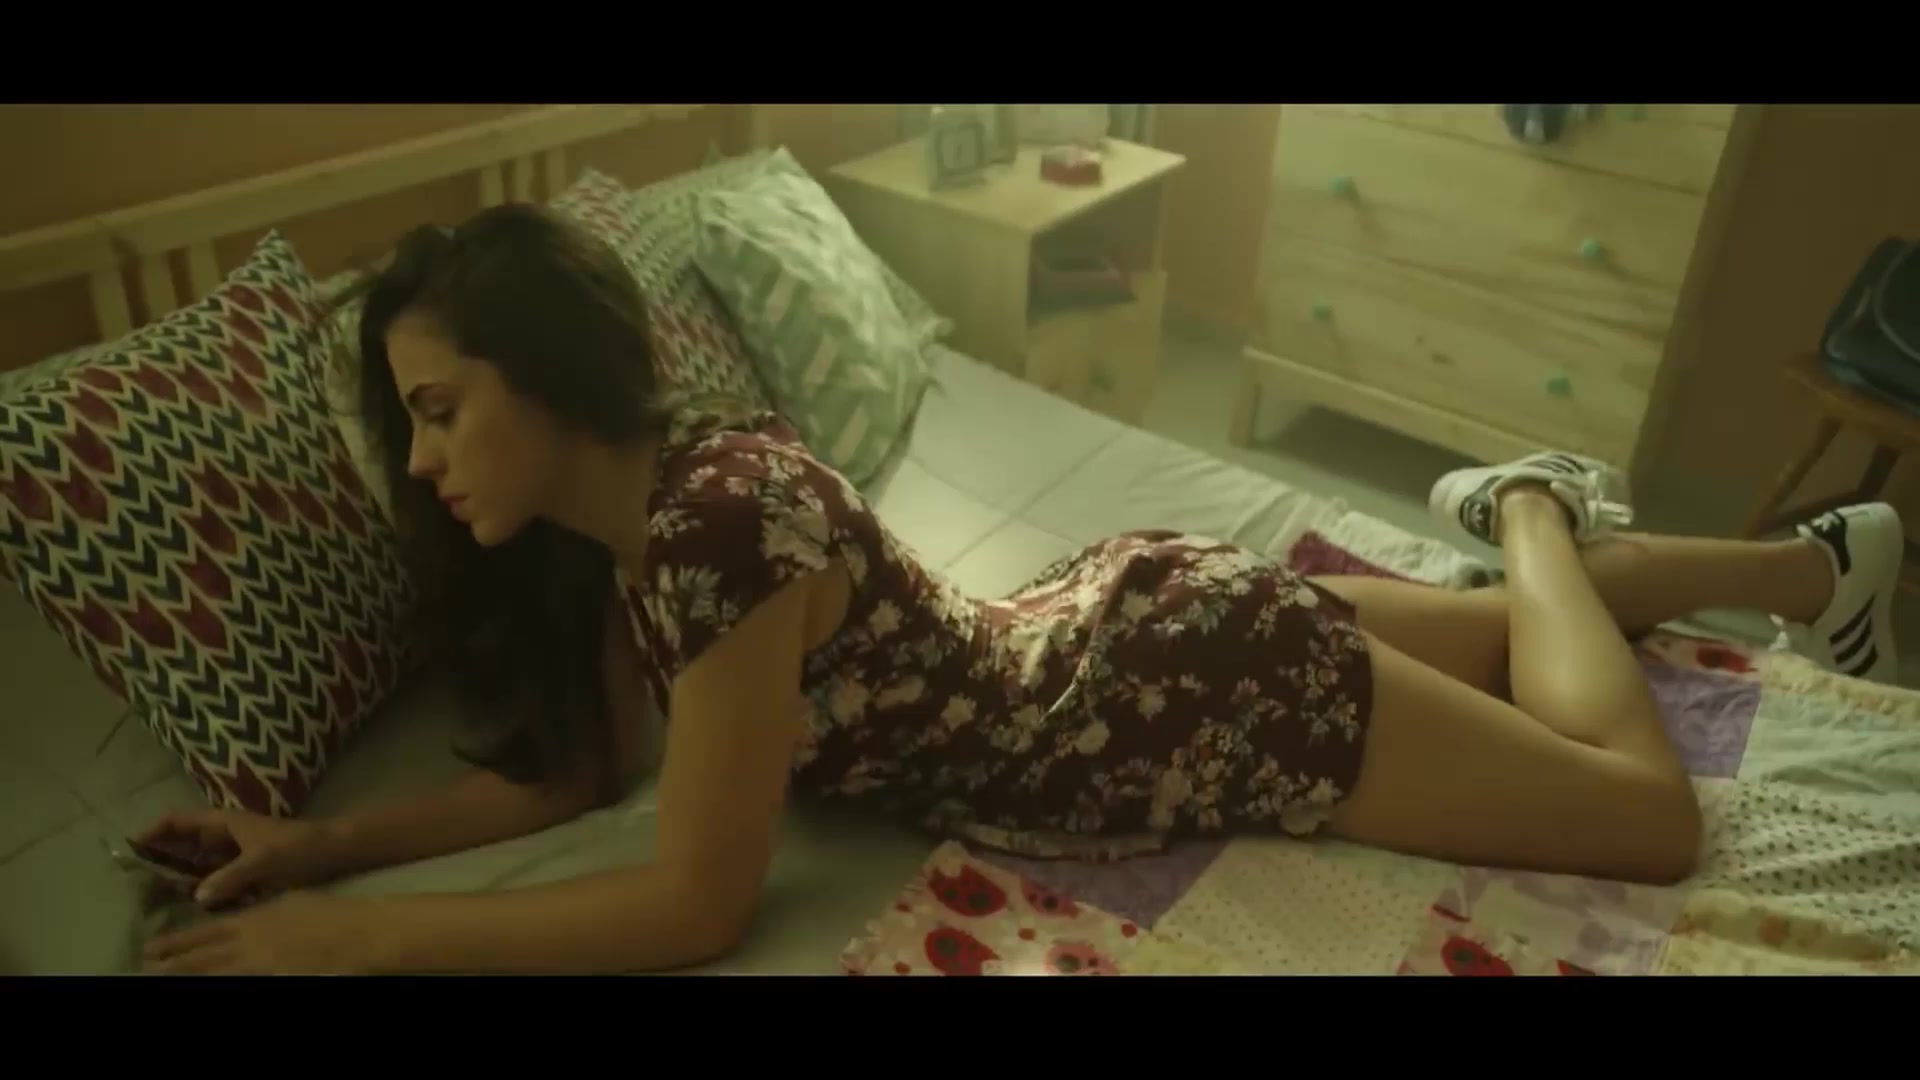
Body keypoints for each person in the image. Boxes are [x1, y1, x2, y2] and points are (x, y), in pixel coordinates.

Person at [135, 204, 1907, 976]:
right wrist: (323, 848)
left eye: (440, 410)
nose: (423, 462)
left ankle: (1520, 497)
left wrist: (367, 943)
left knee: (1641, 820)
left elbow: (692, 902)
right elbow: (573, 779)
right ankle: (1812, 566)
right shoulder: (661, 512)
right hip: (1133, 625)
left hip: (1174, 692)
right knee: (1541, 644)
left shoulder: (708, 538)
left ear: (541, 372)